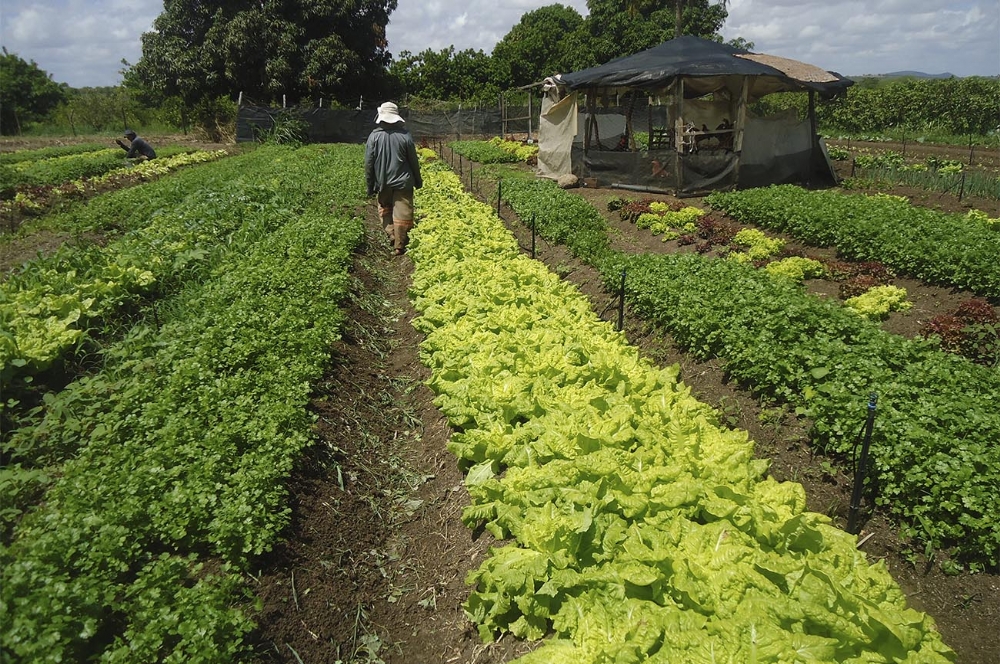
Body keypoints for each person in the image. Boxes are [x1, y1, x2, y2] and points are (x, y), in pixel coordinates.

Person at [364, 102, 422, 255]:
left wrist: (370, 185)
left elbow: (369, 164)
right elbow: (413, 161)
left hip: (383, 182)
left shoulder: (374, 137)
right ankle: (400, 245)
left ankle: (391, 233)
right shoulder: (405, 136)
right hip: (404, 182)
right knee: (403, 212)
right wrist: (418, 180)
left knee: (385, 208)